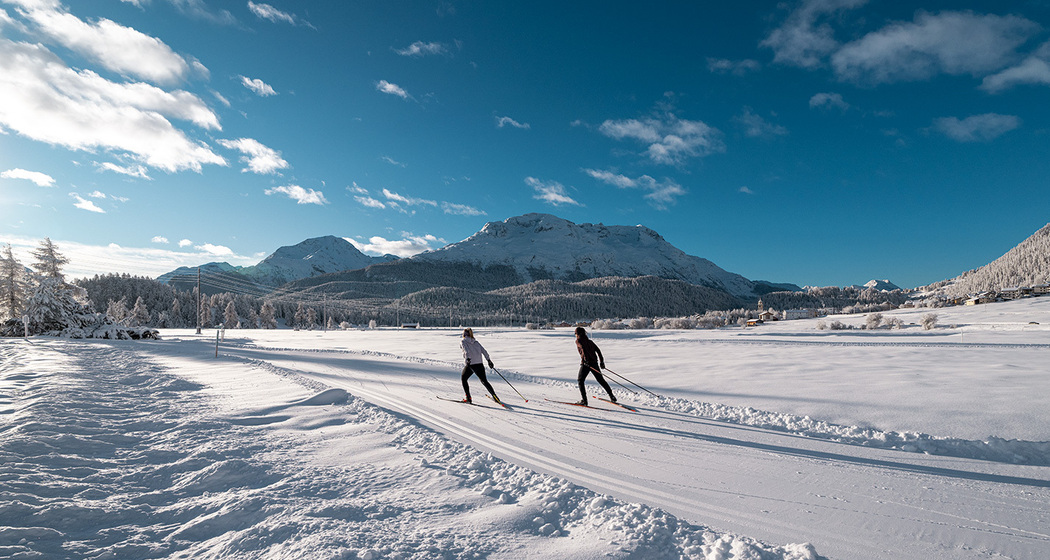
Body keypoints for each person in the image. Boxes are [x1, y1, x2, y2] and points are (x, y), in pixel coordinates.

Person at [574, 326, 615, 406]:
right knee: (601, 380)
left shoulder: (578, 341)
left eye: (575, 333)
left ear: (578, 334)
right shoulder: (590, 342)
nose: (575, 335)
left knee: (580, 380)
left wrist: (586, 361)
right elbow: (598, 351)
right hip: (594, 363)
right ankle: (612, 396)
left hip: (586, 364)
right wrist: (602, 362)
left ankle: (584, 401)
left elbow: (583, 349)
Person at [460, 328, 500, 404]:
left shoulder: (463, 341)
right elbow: (484, 351)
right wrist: (489, 360)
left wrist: (468, 359)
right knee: (484, 381)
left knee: (464, 378)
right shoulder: (476, 342)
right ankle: (495, 396)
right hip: (480, 365)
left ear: (464, 334)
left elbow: (466, 351)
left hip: (471, 364)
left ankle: (468, 398)